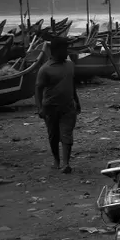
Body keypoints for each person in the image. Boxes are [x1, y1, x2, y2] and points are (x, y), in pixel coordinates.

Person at [34, 37, 81, 173]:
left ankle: (66, 164)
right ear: (56, 51)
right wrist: (40, 108)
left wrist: (77, 100)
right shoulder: (45, 69)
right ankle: (56, 160)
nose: (67, 52)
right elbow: (38, 89)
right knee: (53, 135)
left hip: (68, 106)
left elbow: (72, 84)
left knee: (67, 134)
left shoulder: (70, 65)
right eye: (64, 49)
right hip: (50, 107)